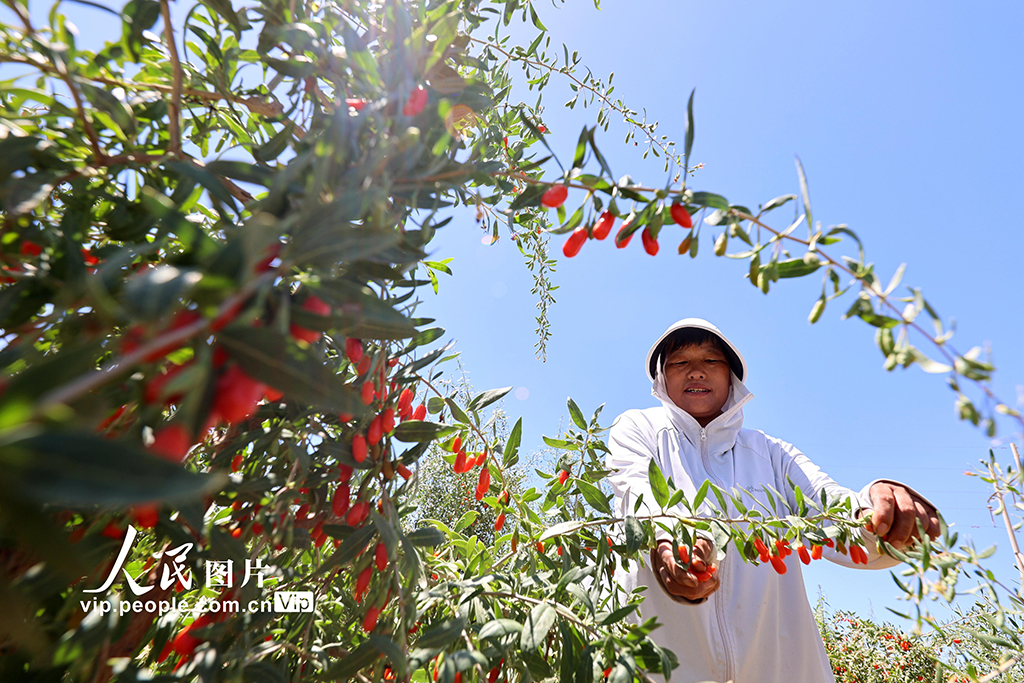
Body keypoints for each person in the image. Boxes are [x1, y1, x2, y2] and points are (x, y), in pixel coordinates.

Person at [607, 318, 939, 683]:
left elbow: (831, 507)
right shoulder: (637, 429)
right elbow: (637, 493)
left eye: (711, 361)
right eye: (680, 363)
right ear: (661, 379)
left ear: (732, 378)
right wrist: (667, 544)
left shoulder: (771, 454)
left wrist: (879, 515)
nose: (697, 372)